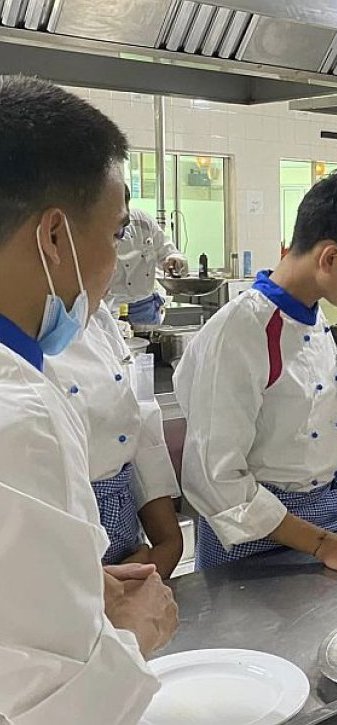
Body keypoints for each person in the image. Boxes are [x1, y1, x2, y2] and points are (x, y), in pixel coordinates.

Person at [0, 75, 177, 723]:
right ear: (54, 237)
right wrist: (134, 634)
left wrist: (72, 589)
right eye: (113, 235)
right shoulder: (19, 415)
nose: (115, 262)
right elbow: (47, 712)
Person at [174, 168, 337, 574]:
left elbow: (310, 442)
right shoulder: (241, 331)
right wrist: (322, 544)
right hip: (255, 544)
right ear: (330, 257)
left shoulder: (313, 320)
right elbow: (216, 479)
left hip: (326, 523)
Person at [45, 301, 184, 577]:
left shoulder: (96, 313)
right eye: (113, 254)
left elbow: (132, 413)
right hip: (56, 549)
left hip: (126, 539)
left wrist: (167, 541)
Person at [108, 185, 188, 325]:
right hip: (111, 308)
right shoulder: (95, 227)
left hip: (145, 307)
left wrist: (174, 260)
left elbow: (169, 252)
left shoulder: (142, 221)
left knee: (151, 346)